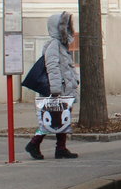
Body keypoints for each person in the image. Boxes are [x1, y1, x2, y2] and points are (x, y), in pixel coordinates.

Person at [25, 11, 80, 160]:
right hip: (58, 90)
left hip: (63, 89)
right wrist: (55, 90)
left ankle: (61, 148)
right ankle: (34, 143)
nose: (68, 29)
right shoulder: (54, 45)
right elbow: (52, 67)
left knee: (62, 119)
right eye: (65, 26)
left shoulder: (61, 45)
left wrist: (75, 80)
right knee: (52, 119)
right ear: (58, 28)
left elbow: (66, 67)